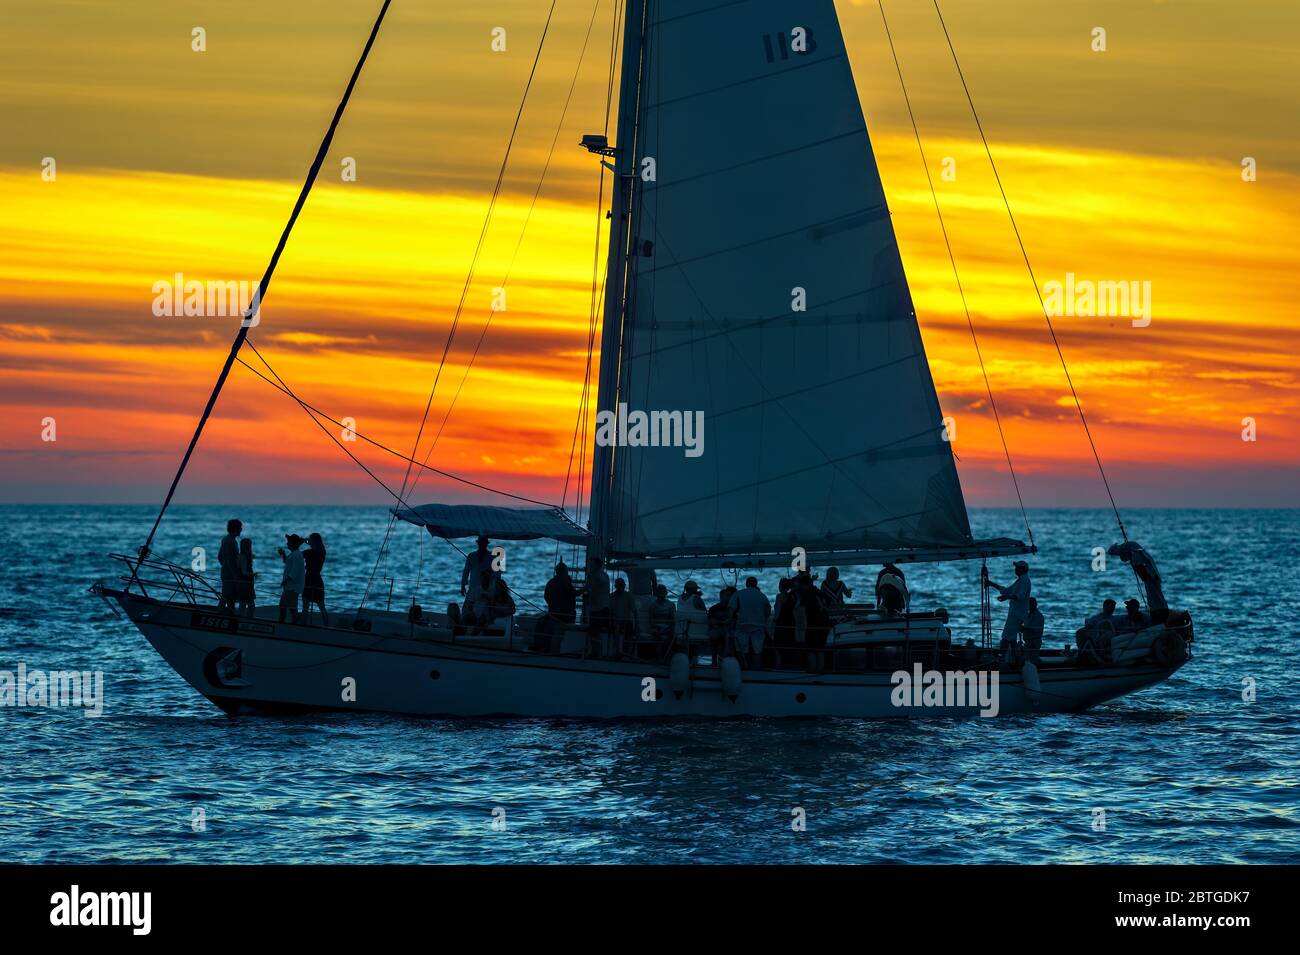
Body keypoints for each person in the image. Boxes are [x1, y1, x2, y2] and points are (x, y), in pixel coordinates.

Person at [1108, 541, 1167, 623]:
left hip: (1150, 578)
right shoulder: (1133, 552)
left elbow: (1143, 570)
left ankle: (1159, 615)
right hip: (1150, 578)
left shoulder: (1136, 555)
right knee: (1153, 598)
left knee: (1155, 598)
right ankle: (1157, 614)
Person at [987, 560, 1031, 662]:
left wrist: (1007, 597)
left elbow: (1020, 596)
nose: (1015, 569)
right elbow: (1007, 590)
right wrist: (992, 584)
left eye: (1017, 567)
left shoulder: (1025, 580)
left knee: (1006, 636)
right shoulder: (1020, 580)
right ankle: (1017, 659)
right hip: (1014, 614)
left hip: (1017, 615)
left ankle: (1000, 658)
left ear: (1023, 569)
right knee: (1011, 639)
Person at [729, 577, 772, 670]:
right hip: (758, 626)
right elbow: (768, 611)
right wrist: (763, 620)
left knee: (741, 649)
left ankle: (743, 668)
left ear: (746, 583)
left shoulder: (739, 594)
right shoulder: (761, 595)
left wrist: (730, 622)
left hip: (742, 625)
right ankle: (756, 669)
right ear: (756, 584)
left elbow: (731, 610)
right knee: (757, 650)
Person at [795, 572, 831, 672]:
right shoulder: (818, 592)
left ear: (804, 585)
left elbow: (801, 609)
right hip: (824, 624)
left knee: (811, 650)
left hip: (813, 625)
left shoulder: (806, 594)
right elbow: (828, 601)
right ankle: (820, 671)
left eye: (801, 585)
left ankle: (812, 672)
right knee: (820, 650)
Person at [461, 535, 494, 617]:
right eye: (481, 543)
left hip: (486, 589)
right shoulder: (471, 556)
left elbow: (497, 574)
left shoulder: (492, 557)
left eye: (483, 543)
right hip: (473, 588)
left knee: (484, 611)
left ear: (486, 544)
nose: (482, 545)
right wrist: (462, 585)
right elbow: (466, 571)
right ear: (478, 544)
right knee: (467, 610)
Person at [585, 556, 613, 655]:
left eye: (592, 564)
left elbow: (598, 582)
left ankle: (597, 653)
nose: (590, 566)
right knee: (593, 631)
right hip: (595, 608)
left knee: (594, 632)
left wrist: (592, 577)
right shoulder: (597, 575)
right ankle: (595, 652)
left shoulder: (601, 575)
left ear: (597, 565)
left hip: (600, 609)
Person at [278, 534, 306, 624]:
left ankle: (294, 623)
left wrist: (286, 580)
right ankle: (286, 622)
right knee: (286, 606)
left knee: (289, 607)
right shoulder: (295, 554)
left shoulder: (297, 554)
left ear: (293, 543)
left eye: (289, 542)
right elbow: (289, 563)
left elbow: (295, 571)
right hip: (290, 586)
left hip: (292, 587)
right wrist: (283, 555)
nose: (287, 543)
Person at [302, 532, 328, 626]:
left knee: (305, 607)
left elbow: (298, 555)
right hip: (317, 579)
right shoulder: (322, 552)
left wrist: (302, 542)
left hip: (308, 578)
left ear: (313, 541)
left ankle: (303, 626)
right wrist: (307, 542)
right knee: (322, 607)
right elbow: (315, 547)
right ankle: (326, 626)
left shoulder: (309, 552)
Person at [217, 519, 242, 612]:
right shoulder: (231, 541)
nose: (241, 529)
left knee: (231, 596)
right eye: (240, 528)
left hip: (226, 571)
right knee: (226, 595)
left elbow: (220, 556)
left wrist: (224, 567)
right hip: (230, 574)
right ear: (236, 528)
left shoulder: (225, 539)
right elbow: (230, 560)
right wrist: (234, 574)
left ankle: (231, 614)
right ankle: (219, 613)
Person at [772, 577, 798, 668]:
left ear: (780, 586)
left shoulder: (780, 596)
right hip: (791, 622)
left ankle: (778, 667)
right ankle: (791, 667)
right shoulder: (793, 596)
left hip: (782, 623)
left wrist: (774, 621)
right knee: (789, 645)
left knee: (778, 647)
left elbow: (778, 611)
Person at [707, 586, 737, 663]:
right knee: (715, 635)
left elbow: (734, 621)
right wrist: (723, 623)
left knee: (729, 635)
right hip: (717, 629)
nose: (727, 598)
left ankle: (727, 660)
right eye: (726, 595)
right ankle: (716, 661)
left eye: (729, 596)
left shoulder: (733, 609)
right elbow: (712, 622)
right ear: (721, 597)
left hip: (729, 629)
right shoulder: (714, 608)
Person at [675, 580, 708, 647]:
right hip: (697, 631)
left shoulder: (679, 598)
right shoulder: (696, 598)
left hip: (680, 630)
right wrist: (698, 596)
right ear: (694, 589)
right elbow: (704, 613)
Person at [609, 576, 638, 652]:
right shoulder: (611, 596)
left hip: (626, 621)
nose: (621, 587)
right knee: (616, 628)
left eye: (622, 585)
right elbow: (610, 612)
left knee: (629, 629)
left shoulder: (629, 596)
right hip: (615, 621)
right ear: (615, 586)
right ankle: (617, 650)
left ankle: (625, 651)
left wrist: (637, 624)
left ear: (624, 586)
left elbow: (635, 611)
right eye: (619, 585)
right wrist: (611, 621)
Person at [648, 584, 676, 652]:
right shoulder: (652, 606)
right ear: (657, 593)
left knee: (671, 635)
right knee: (657, 635)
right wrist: (657, 628)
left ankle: (668, 655)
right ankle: (659, 656)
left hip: (667, 627)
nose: (662, 594)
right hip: (656, 628)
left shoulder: (670, 604)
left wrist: (667, 628)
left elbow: (672, 620)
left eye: (663, 592)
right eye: (660, 592)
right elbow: (651, 621)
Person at [235, 537, 256, 618]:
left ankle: (241, 618)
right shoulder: (243, 557)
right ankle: (248, 619)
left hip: (245, 583)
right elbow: (244, 572)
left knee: (243, 603)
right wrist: (253, 574)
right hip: (245, 583)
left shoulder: (241, 556)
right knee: (250, 604)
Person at [1020, 597, 1045, 666]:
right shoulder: (1028, 615)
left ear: (1034, 605)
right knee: (1028, 660)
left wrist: (1024, 628)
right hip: (1028, 641)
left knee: (1033, 660)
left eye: (1030, 604)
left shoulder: (1039, 616)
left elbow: (1035, 629)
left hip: (1034, 642)